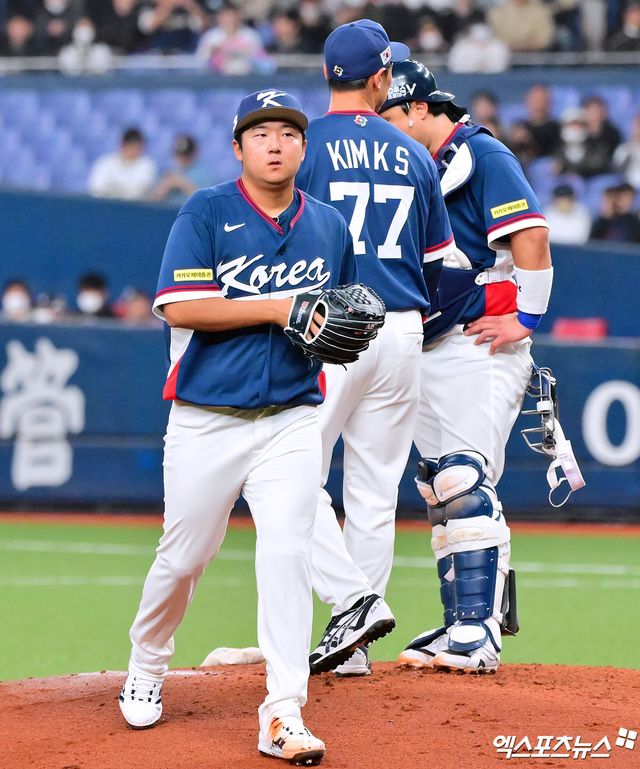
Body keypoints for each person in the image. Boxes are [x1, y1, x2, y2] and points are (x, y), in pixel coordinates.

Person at [117, 89, 360, 765]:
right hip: (207, 420)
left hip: (290, 416)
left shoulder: (331, 227)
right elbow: (181, 305)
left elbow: (340, 315)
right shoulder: (207, 211)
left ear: (303, 147)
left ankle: (283, 710)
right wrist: (281, 308)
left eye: (287, 132)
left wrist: (335, 333)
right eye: (261, 133)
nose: (275, 143)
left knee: (287, 553)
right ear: (239, 147)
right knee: (185, 555)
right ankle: (148, 658)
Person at [379, 61, 553, 673]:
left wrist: (527, 318)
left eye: (393, 118)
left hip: (478, 342)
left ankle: (478, 631)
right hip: (431, 343)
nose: (386, 133)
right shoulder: (421, 165)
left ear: (421, 110)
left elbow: (531, 236)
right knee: (439, 483)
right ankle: (462, 621)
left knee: (462, 477)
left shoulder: (480, 154)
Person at [294, 20, 455, 677]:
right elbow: (441, 260)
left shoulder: (302, 146)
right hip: (401, 326)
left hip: (330, 329)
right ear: (382, 78)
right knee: (371, 491)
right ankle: (353, 647)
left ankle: (352, 602)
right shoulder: (414, 153)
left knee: (284, 475)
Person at [88, 127, 157, 201]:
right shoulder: (105, 163)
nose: (133, 151)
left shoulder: (147, 165)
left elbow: (139, 192)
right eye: (131, 146)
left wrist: (113, 189)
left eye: (137, 147)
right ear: (122, 145)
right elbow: (96, 189)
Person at [149, 134, 211, 205]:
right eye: (179, 154)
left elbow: (205, 202)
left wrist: (183, 183)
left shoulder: (203, 174)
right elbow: (153, 200)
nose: (182, 158)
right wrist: (165, 186)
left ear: (194, 153)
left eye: (186, 154)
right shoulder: (168, 172)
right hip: (166, 213)